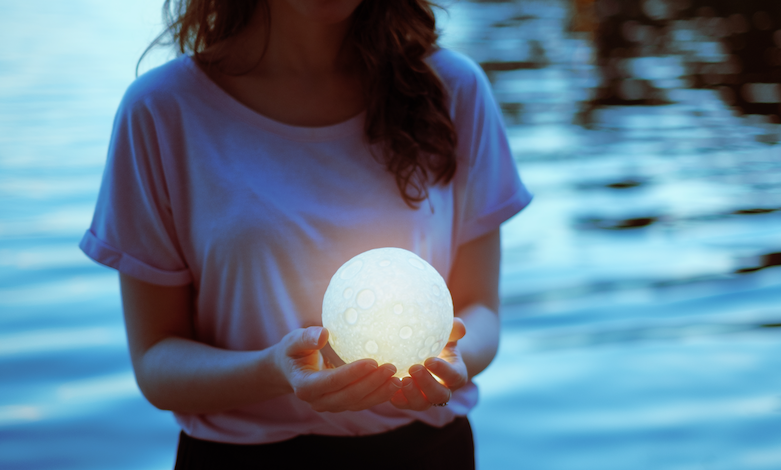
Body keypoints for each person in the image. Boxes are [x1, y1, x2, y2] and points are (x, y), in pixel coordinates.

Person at [79, 0, 532, 468]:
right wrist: (273, 370)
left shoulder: (452, 90)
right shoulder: (162, 111)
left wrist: (449, 364)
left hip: (429, 452)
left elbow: (481, 312)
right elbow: (156, 361)